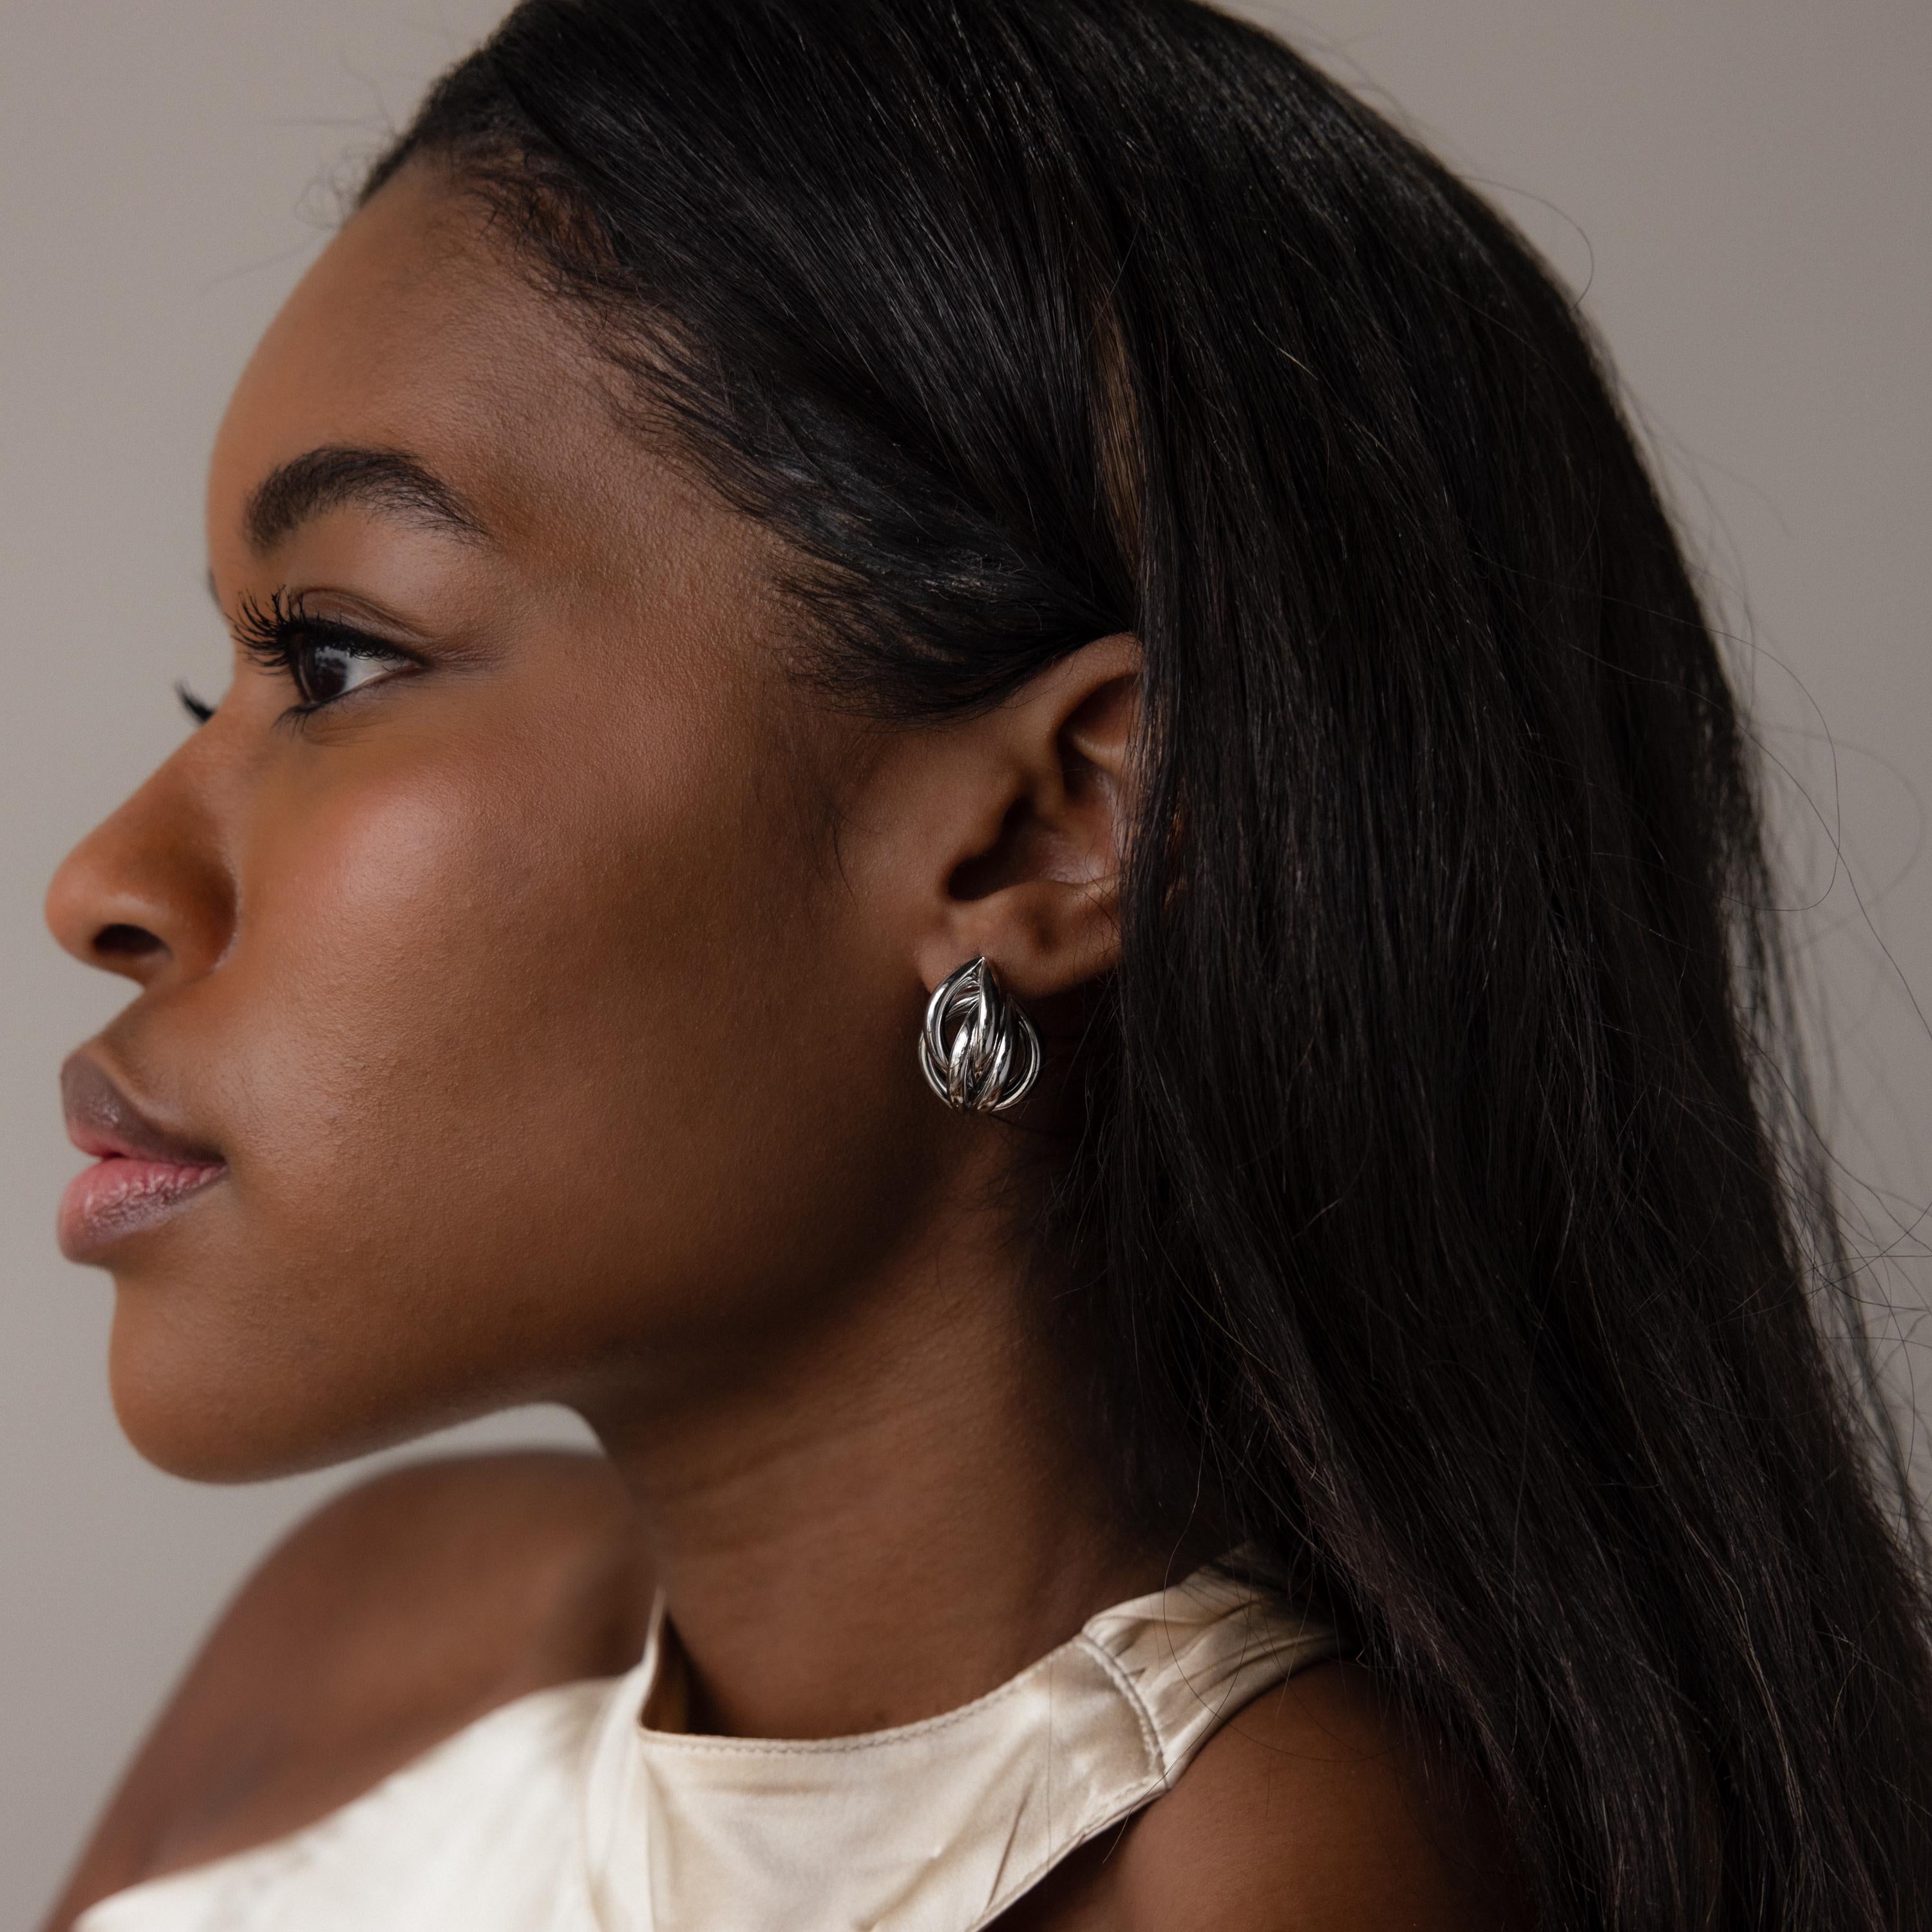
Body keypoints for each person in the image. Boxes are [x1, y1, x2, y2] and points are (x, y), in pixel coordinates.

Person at [37, 1, 1932, 1927]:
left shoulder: (1267, 1883)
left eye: (337, 661)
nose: (100, 885)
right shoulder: (369, 1640)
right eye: (221, 681)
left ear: (1042, 830)